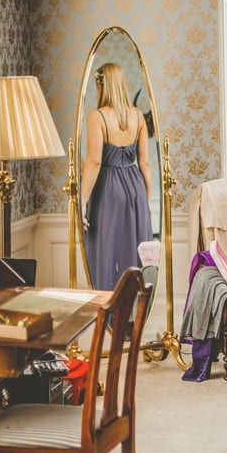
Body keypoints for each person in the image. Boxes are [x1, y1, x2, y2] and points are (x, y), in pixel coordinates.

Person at [81, 62, 153, 291]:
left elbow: (94, 162)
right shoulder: (138, 117)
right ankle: (132, 311)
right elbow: (145, 162)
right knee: (132, 249)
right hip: (135, 188)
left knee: (106, 248)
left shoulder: (97, 117)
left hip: (107, 189)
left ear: (102, 86)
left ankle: (108, 311)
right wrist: (146, 199)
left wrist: (81, 201)